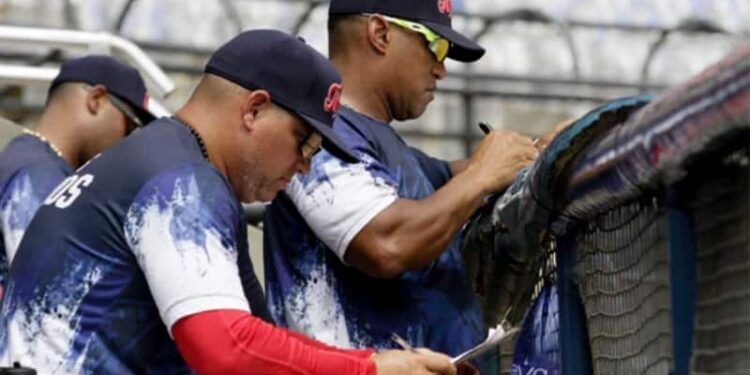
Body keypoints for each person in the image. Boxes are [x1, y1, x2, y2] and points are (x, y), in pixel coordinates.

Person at [0, 30, 457, 375]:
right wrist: (371, 370)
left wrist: (379, 360)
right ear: (254, 109)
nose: (303, 167)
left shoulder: (165, 160)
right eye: (304, 143)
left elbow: (263, 339)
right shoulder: (181, 181)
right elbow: (225, 349)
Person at [263, 1, 542, 373]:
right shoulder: (318, 139)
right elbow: (386, 243)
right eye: (436, 47)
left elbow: (461, 179)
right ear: (380, 33)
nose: (441, 70)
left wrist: (536, 153)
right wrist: (483, 174)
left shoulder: (384, 145)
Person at [0, 55, 154, 299]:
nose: (128, 141)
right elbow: (50, 290)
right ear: (96, 100)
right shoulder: (38, 173)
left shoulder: (29, 158)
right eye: (131, 126)